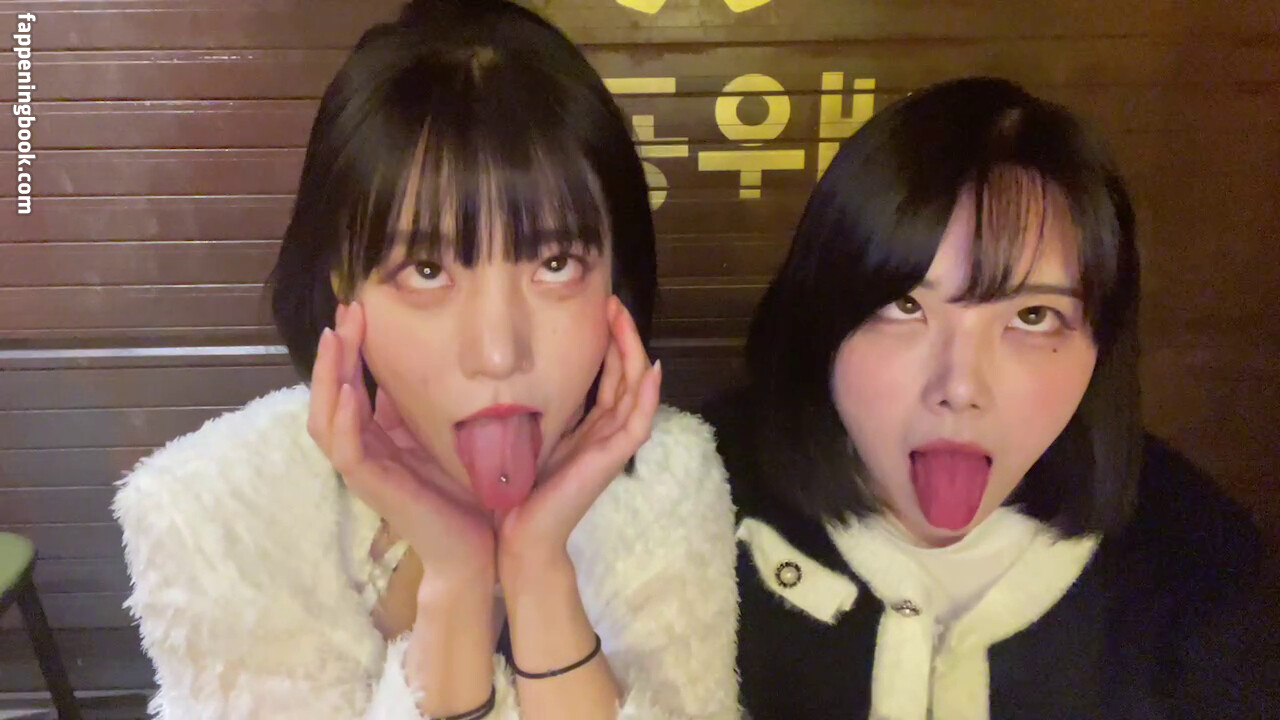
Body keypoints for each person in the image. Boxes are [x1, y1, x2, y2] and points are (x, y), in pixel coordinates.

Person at [113, 1, 740, 718]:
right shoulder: (211, 516)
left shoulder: (669, 481)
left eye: (556, 263)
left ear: (615, 281)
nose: (498, 353)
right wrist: (456, 579)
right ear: (343, 285)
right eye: (427, 270)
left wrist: (538, 570)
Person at [702, 77, 1274, 719]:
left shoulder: (1201, 563)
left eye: (1033, 317)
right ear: (821, 316)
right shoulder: (691, 502)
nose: (961, 387)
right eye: (905, 305)